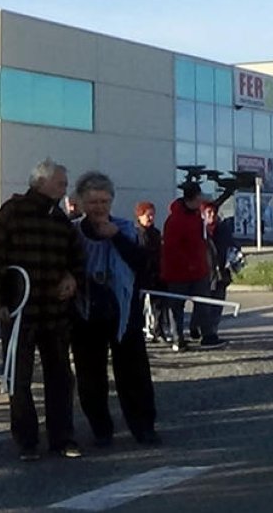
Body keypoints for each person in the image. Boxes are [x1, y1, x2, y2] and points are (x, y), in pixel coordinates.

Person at [0, 159, 86, 461]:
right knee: (19, 378)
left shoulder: (61, 220)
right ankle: (26, 441)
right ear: (41, 182)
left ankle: (62, 438)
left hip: (54, 312)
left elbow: (77, 258)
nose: (65, 188)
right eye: (60, 183)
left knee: (61, 377)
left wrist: (73, 278)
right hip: (19, 312)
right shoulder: (11, 213)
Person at [69, 172, 159, 447]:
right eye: (93, 201)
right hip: (85, 311)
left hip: (123, 311)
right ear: (81, 202)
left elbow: (143, 266)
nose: (99, 207)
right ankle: (101, 428)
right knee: (89, 374)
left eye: (104, 201)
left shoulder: (126, 229)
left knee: (133, 373)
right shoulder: (72, 232)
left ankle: (143, 426)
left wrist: (117, 237)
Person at [159, 181, 209, 353]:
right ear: (193, 198)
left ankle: (197, 329)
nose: (201, 200)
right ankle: (177, 338)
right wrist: (189, 264)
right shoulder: (175, 220)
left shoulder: (196, 216)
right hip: (178, 272)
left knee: (203, 302)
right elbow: (171, 248)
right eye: (199, 197)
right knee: (176, 307)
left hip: (199, 270)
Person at [190, 202, 235, 349]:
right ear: (202, 214)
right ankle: (203, 331)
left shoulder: (223, 229)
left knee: (218, 304)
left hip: (221, 273)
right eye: (208, 212)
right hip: (204, 274)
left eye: (214, 212)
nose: (212, 215)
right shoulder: (197, 230)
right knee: (203, 305)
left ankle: (211, 333)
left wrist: (235, 256)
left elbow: (232, 245)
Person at [135, 202, 170, 343]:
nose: (150, 218)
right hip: (141, 274)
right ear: (140, 216)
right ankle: (138, 331)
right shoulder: (135, 233)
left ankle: (158, 330)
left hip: (156, 274)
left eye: (152, 215)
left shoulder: (155, 233)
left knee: (159, 305)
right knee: (138, 306)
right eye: (147, 215)